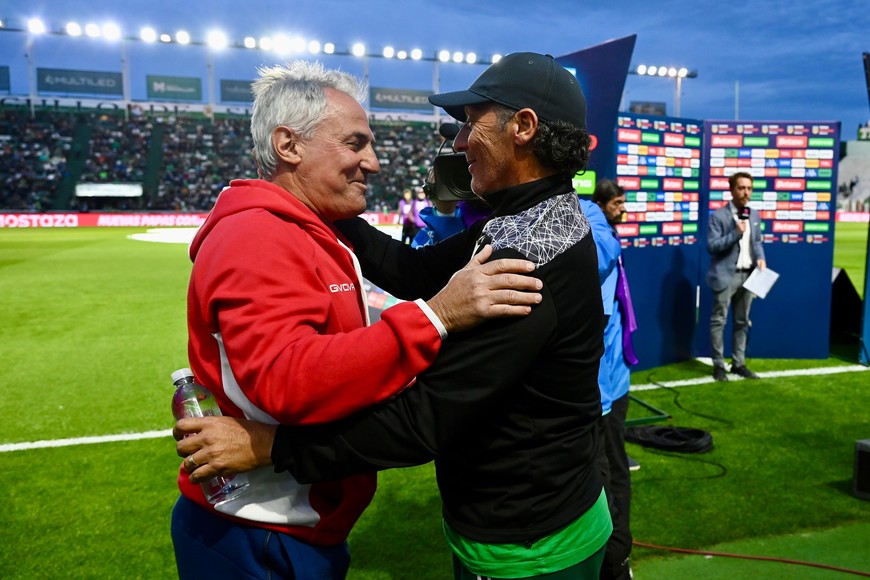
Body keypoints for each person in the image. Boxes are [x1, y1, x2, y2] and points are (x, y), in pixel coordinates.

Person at [176, 52, 612, 579]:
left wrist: (272, 446)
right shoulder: (534, 219)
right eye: (355, 143)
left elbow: (422, 420)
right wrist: (316, 201)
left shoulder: (528, 255)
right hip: (533, 514)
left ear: (523, 127)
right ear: (290, 145)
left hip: (530, 541)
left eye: (469, 124)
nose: (456, 142)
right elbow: (413, 270)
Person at [588, 179, 639, 580]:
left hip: (607, 385)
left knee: (609, 469)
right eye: (617, 202)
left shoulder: (592, 223)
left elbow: (605, 251)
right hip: (600, 382)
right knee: (604, 470)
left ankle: (617, 558)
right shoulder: (588, 218)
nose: (621, 208)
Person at [706, 171, 767, 381]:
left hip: (749, 275)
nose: (746, 192)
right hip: (725, 276)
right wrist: (735, 234)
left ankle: (738, 363)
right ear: (732, 189)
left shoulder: (754, 214)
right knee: (719, 321)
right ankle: (718, 365)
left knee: (742, 321)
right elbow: (712, 247)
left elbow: (757, 242)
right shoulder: (718, 216)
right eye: (741, 188)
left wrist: (761, 258)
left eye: (749, 188)